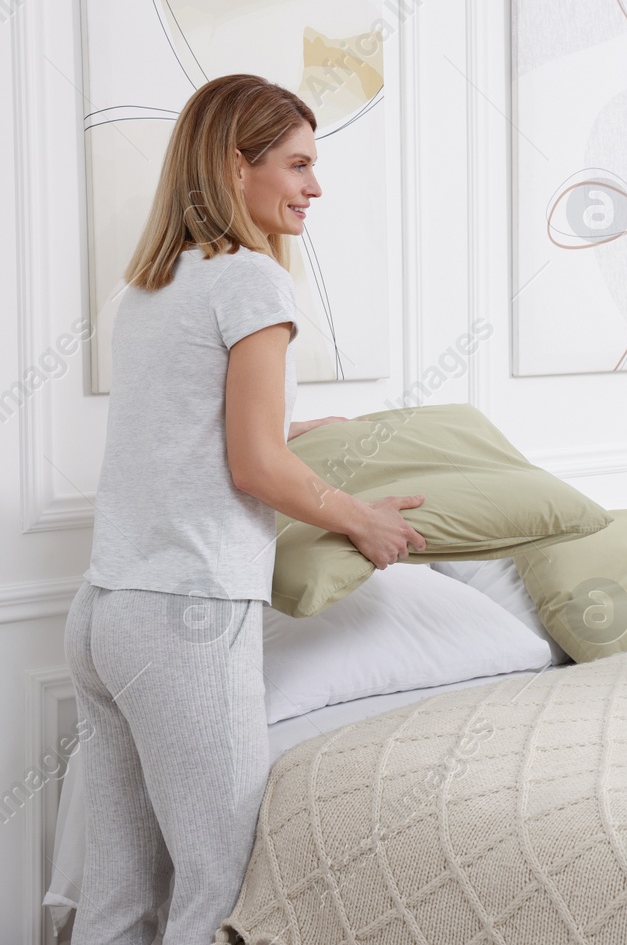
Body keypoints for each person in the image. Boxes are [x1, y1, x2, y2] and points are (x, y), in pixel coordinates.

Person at [64, 73, 428, 943]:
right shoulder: (254, 283)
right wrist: (357, 517)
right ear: (237, 165)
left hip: (104, 611)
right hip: (186, 618)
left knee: (117, 895)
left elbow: (182, 423)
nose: (314, 186)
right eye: (298, 164)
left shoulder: (157, 283)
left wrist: (290, 423)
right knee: (221, 887)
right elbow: (254, 464)